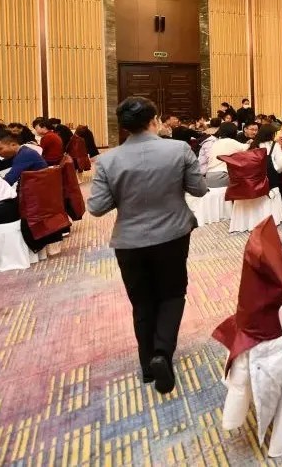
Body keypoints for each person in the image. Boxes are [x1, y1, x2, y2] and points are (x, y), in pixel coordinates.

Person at [87, 96, 208, 394]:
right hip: (172, 235)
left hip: (129, 241)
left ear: (124, 127)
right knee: (172, 294)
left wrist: (124, 192)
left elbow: (97, 207)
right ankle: (161, 353)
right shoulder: (178, 149)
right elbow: (199, 189)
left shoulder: (107, 160)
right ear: (155, 120)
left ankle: (146, 364)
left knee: (142, 301)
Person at [204, 122, 247, 188]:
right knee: (247, 179)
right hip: (221, 176)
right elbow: (247, 148)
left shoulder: (216, 142)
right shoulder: (230, 142)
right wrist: (251, 142)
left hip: (209, 176)